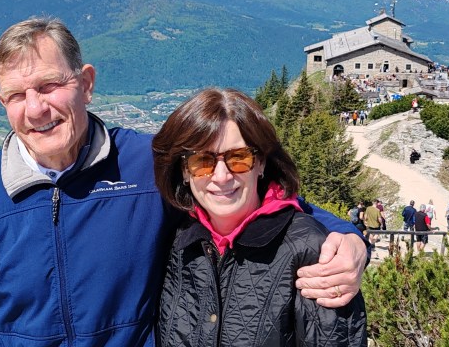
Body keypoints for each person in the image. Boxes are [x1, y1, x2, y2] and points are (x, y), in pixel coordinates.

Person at [0, 17, 368, 347]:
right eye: (16, 95)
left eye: (49, 85)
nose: (36, 108)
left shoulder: (144, 165)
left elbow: (258, 203)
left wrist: (348, 237)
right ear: (2, 102)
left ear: (87, 84)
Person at [152, 88, 367, 346]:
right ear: (185, 171)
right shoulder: (177, 244)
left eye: (238, 158)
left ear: (262, 163)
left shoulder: (312, 253)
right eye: (202, 161)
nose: (221, 177)